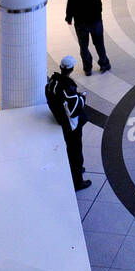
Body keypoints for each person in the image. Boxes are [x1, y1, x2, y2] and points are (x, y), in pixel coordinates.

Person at [45, 56, 90, 190]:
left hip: (60, 119)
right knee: (75, 151)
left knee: (71, 149)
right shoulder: (67, 87)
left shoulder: (53, 81)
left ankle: (75, 171)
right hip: (71, 125)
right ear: (72, 69)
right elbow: (74, 109)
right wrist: (82, 97)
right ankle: (77, 181)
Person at [65, 0, 110, 74]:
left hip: (81, 23)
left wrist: (69, 17)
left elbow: (70, 4)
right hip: (96, 21)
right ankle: (104, 65)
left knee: (83, 46)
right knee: (99, 44)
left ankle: (88, 68)